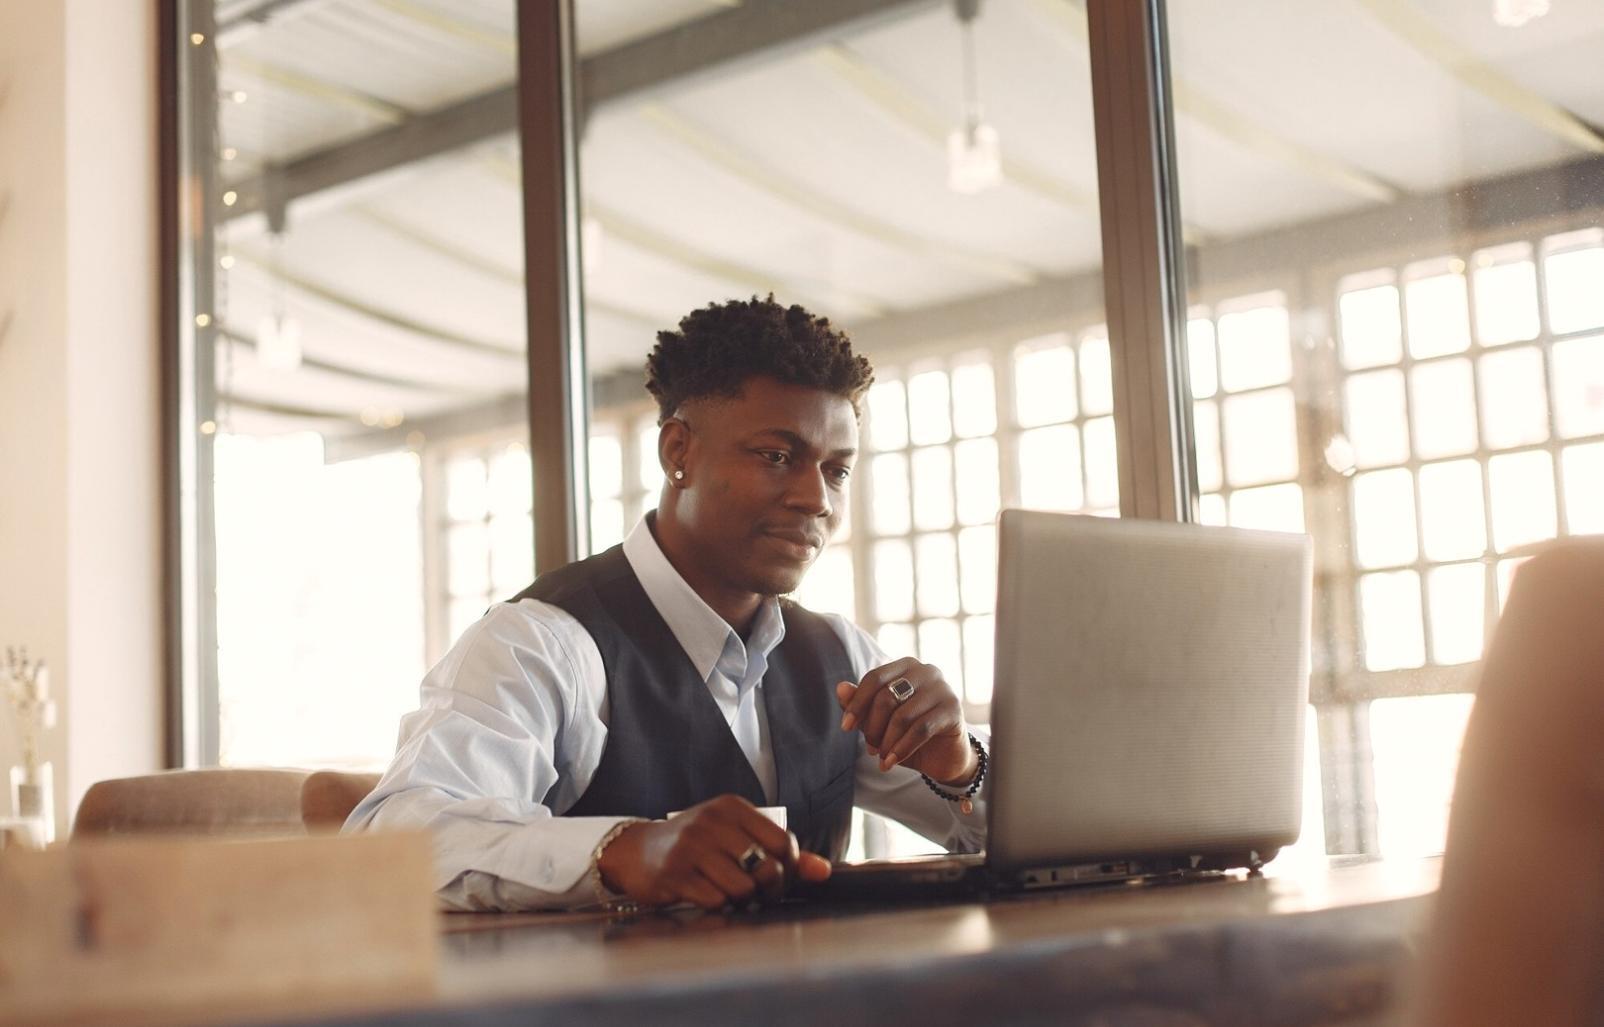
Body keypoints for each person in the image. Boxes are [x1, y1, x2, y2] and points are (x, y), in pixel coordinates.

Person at [345, 296, 989, 911]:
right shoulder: (544, 642)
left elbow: (1019, 839)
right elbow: (395, 840)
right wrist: (623, 851)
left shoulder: (839, 655)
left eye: (836, 470)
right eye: (776, 456)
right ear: (678, 452)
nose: (816, 498)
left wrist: (959, 765)